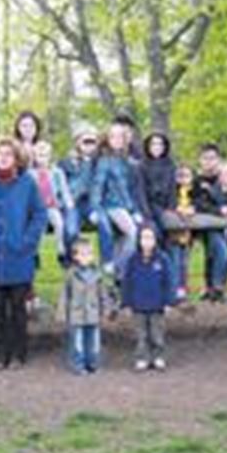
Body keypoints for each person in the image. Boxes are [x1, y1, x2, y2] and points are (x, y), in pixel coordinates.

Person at [0, 137, 48, 368]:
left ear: (16, 158)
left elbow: (39, 214)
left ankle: (18, 353)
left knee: (17, 308)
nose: (3, 158)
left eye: (8, 154)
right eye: (0, 154)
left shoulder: (27, 183)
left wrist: (28, 241)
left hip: (19, 255)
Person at [90, 122, 142, 275]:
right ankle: (117, 267)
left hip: (126, 206)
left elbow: (129, 189)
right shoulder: (105, 160)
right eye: (113, 136)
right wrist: (95, 208)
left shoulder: (127, 160)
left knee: (122, 239)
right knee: (133, 233)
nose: (117, 139)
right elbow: (97, 186)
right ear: (107, 139)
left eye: (121, 136)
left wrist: (134, 210)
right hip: (112, 205)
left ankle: (118, 276)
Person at [122, 225, 174, 371]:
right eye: (143, 237)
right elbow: (127, 282)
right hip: (138, 305)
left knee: (157, 334)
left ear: (156, 240)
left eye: (150, 238)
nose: (147, 241)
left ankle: (158, 357)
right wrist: (126, 302)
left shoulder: (162, 259)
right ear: (138, 240)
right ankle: (142, 358)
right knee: (141, 335)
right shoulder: (132, 260)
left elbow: (169, 281)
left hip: (157, 305)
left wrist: (168, 301)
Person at [192, 144, 227, 301]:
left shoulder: (225, 178)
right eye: (205, 158)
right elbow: (198, 203)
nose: (209, 162)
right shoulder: (196, 180)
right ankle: (216, 286)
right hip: (202, 224)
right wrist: (218, 210)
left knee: (221, 253)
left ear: (219, 160)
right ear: (200, 160)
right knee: (218, 249)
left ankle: (216, 287)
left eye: (212, 158)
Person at [62, 239, 108, 374]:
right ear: (75, 256)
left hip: (93, 312)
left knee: (94, 342)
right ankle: (78, 364)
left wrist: (106, 309)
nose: (86, 257)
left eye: (89, 254)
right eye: (83, 254)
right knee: (78, 342)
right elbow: (65, 295)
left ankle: (93, 363)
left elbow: (102, 294)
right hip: (76, 314)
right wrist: (62, 313)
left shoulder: (97, 274)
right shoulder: (71, 274)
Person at [58, 125, 101, 259]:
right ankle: (71, 261)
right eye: (85, 141)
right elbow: (60, 186)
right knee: (71, 231)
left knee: (105, 224)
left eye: (92, 142)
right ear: (77, 142)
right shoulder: (66, 163)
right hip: (73, 202)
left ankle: (109, 263)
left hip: (92, 203)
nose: (89, 145)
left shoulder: (100, 162)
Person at [30, 140, 74, 265]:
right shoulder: (31, 174)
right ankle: (35, 255)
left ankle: (61, 252)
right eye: (39, 155)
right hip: (37, 208)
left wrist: (68, 202)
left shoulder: (56, 172)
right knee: (38, 230)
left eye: (45, 155)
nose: (42, 159)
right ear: (34, 157)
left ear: (50, 156)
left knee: (59, 225)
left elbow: (64, 188)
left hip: (52, 206)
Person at [164, 164, 196, 301]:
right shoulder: (171, 191)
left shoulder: (194, 192)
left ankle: (182, 290)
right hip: (173, 234)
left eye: (187, 176)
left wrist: (193, 209)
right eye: (180, 176)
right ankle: (172, 291)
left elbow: (201, 203)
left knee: (184, 262)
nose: (183, 179)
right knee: (174, 262)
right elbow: (168, 204)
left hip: (187, 234)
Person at [138, 132, 178, 237]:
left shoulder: (170, 165)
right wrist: (146, 212)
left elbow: (172, 188)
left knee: (173, 230)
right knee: (156, 231)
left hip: (166, 205)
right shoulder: (142, 165)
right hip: (150, 205)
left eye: (160, 144)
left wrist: (171, 207)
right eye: (153, 144)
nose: (157, 147)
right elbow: (140, 190)